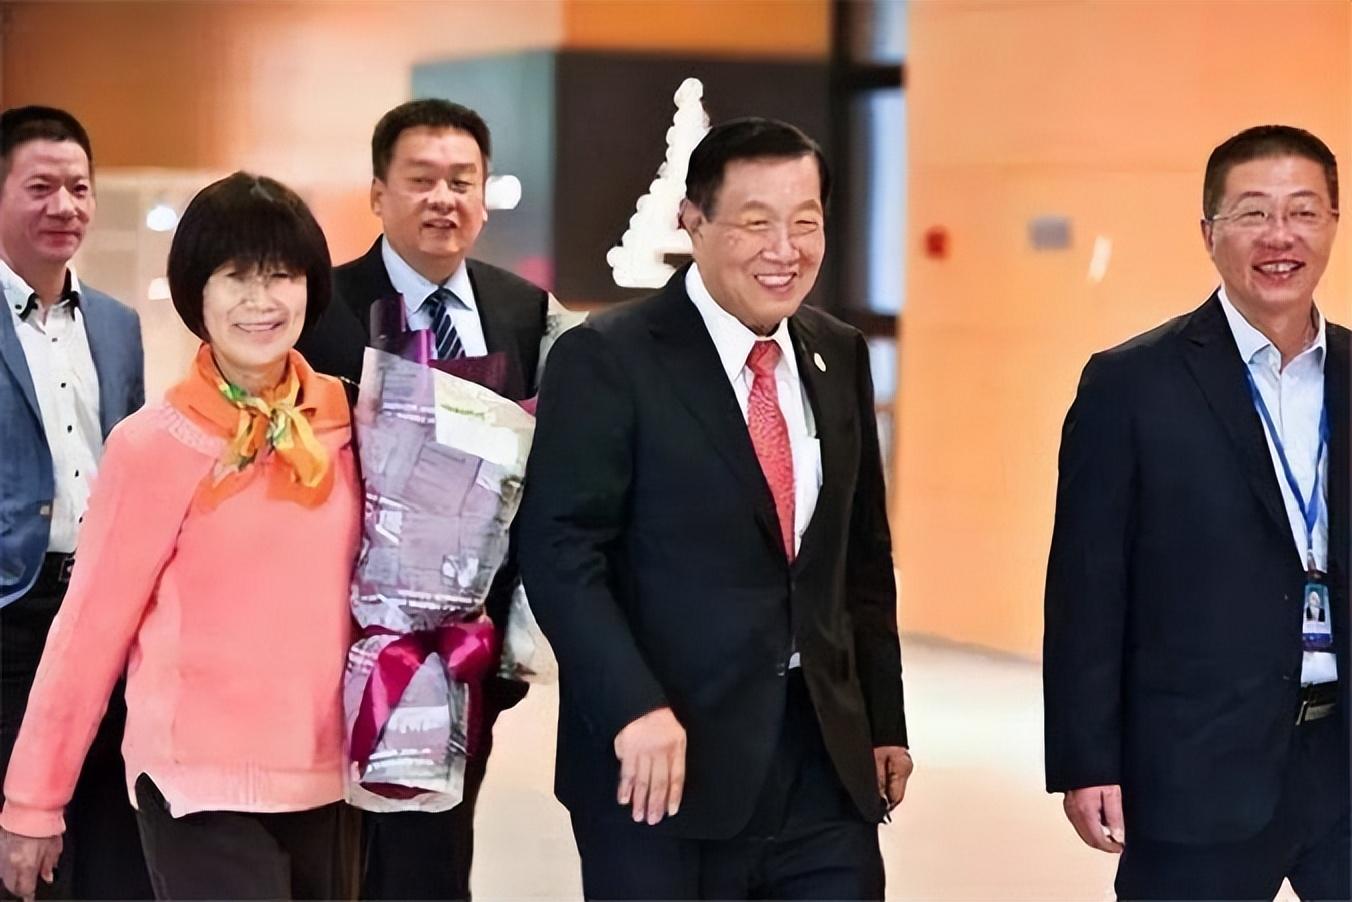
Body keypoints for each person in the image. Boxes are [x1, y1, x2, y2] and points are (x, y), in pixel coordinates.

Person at [518, 117, 910, 900]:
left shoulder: (837, 354)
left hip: (821, 761)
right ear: (693, 222)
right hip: (663, 760)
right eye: (756, 223)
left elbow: (861, 557)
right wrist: (632, 707)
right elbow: (561, 554)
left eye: (806, 223)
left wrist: (882, 720)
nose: (785, 250)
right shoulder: (609, 357)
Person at [0, 172, 361, 901]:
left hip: (332, 775)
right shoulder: (153, 444)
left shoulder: (352, 423)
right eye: (236, 278)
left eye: (280, 277)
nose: (260, 301)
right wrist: (33, 801)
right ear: (198, 292)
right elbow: (88, 632)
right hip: (197, 784)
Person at [1044, 125, 1350, 900]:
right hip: (1197, 765)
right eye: (1253, 213)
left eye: (1303, 211)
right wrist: (1087, 759)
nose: (1280, 235)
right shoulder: (1131, 384)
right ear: (1209, 232)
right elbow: (1087, 587)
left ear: (1332, 224)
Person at [296, 97, 547, 901]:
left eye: (462, 181)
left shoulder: (522, 312)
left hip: (468, 650)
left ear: (484, 195)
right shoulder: (320, 307)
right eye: (421, 179)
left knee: (436, 862)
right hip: (344, 646)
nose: (444, 198)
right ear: (378, 193)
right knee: (342, 862)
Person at [0, 105, 151, 899]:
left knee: (111, 844)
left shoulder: (118, 327)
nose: (65, 206)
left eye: (80, 188)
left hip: (104, 613)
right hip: (11, 616)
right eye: (41, 188)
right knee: (21, 850)